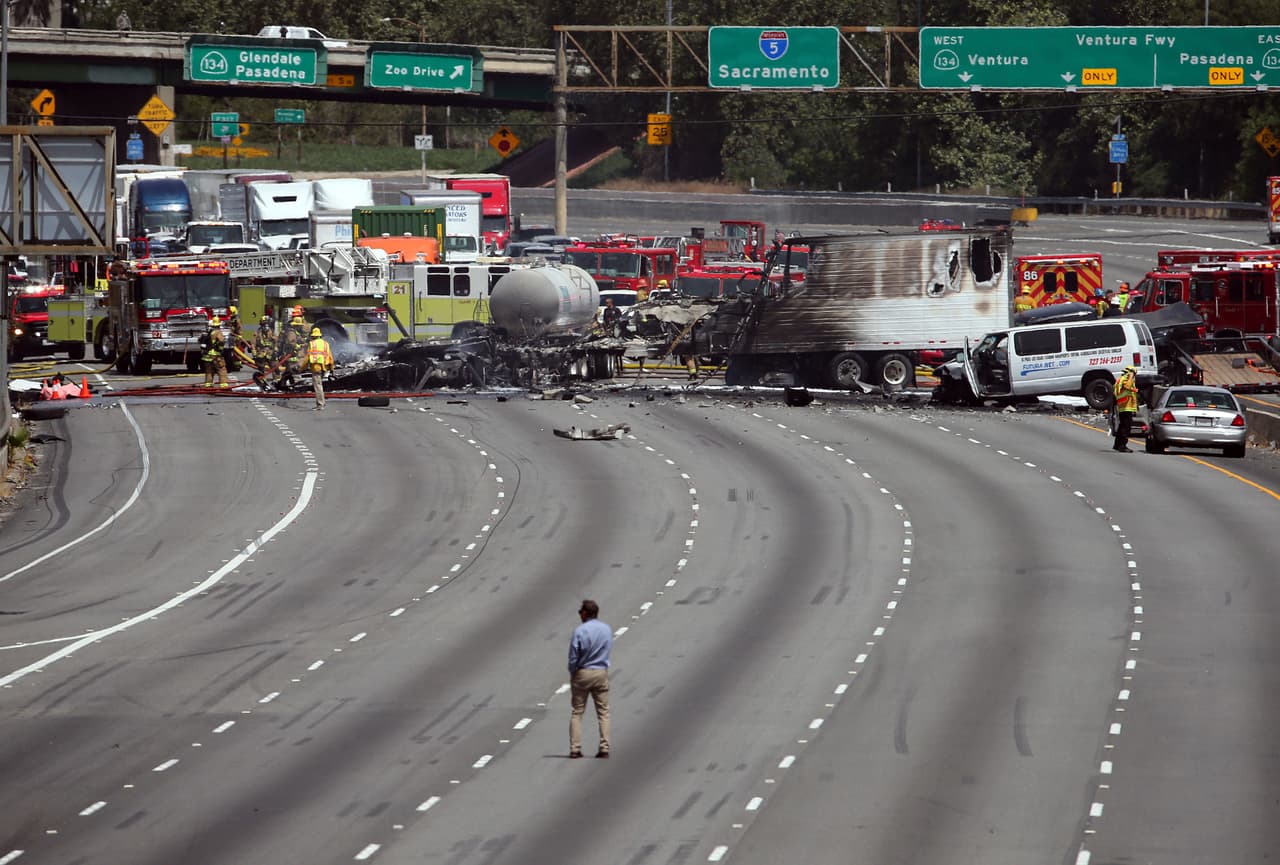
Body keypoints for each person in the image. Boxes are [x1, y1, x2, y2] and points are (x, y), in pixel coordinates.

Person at [567, 599, 612, 759]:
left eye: (581, 612)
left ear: (586, 613)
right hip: (600, 672)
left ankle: (575, 748)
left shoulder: (579, 631)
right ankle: (604, 747)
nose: (580, 614)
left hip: (583, 672)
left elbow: (573, 656)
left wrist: (573, 673)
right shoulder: (606, 629)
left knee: (577, 712)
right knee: (603, 713)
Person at [305, 326, 334, 410]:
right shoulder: (326, 344)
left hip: (316, 367)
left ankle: (320, 405)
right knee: (320, 385)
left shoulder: (312, 344)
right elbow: (330, 356)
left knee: (318, 386)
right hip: (324, 367)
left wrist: (302, 368)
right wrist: (331, 368)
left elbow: (307, 357)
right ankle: (322, 403)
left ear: (313, 336)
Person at [1112, 365, 1139, 452]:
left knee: (1122, 425)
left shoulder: (1122, 378)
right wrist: (1131, 377)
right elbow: (1127, 386)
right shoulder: (1126, 379)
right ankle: (1122, 445)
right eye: (1134, 374)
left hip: (1125, 406)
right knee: (1126, 427)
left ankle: (1117, 445)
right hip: (1126, 406)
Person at [277, 314, 306, 389]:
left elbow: (299, 340)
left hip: (292, 355)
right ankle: (284, 384)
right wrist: (299, 346)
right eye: (300, 325)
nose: (301, 326)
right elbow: (291, 343)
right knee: (291, 370)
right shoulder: (291, 332)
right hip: (290, 355)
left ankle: (286, 384)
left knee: (289, 371)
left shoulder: (295, 332)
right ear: (297, 325)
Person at [252, 315, 277, 390]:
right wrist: (254, 351)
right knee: (261, 369)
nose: (266, 326)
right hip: (261, 354)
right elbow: (253, 343)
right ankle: (263, 383)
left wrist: (276, 348)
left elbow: (277, 341)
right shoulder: (257, 333)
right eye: (264, 324)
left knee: (275, 368)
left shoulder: (272, 332)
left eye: (267, 324)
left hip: (270, 353)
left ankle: (277, 382)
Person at [202, 316, 228, 388]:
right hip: (216, 355)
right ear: (219, 325)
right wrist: (220, 349)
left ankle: (208, 384)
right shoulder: (218, 332)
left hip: (207, 355)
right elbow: (221, 341)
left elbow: (201, 340)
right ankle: (223, 385)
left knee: (209, 370)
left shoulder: (209, 332)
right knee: (221, 369)